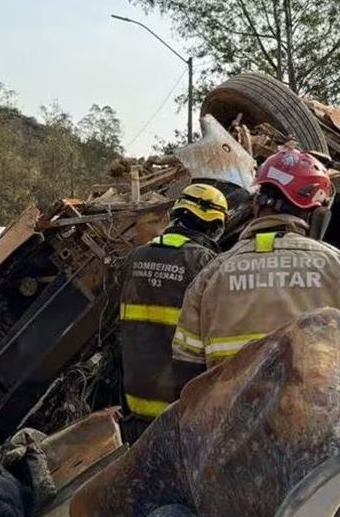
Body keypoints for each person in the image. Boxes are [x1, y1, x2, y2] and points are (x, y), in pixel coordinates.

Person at [173, 147, 340, 372]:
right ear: (316, 213)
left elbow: (186, 369)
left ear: (256, 205)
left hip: (229, 408)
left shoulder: (210, 276)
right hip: (319, 408)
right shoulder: (335, 264)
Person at [118, 182, 227, 438]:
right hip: (179, 408)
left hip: (134, 401)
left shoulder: (134, 258)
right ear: (213, 225)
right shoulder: (204, 263)